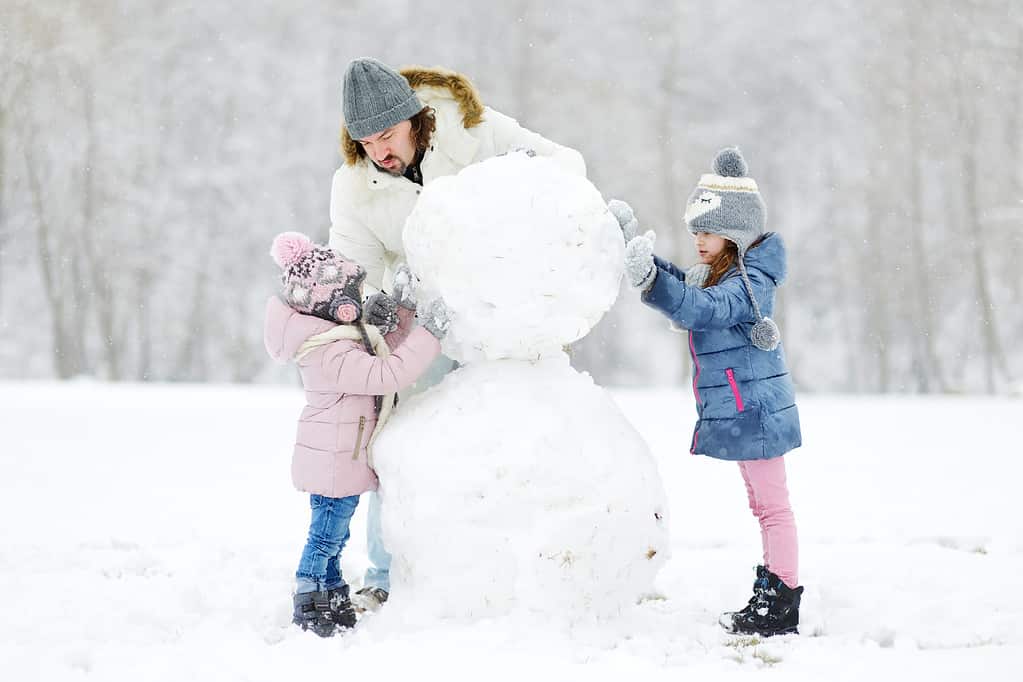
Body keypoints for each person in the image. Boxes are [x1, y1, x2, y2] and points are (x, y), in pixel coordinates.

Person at [328, 57, 586, 610]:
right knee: (401, 441)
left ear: (415, 120)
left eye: (387, 135)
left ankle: (533, 567)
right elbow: (354, 269)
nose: (379, 151)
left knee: (521, 433)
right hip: (422, 326)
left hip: (501, 313)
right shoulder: (354, 187)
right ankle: (386, 570)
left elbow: (567, 165)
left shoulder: (475, 128)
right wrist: (379, 300)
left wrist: (527, 179)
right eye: (365, 141)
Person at [612, 147, 804, 637]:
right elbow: (685, 288)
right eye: (695, 229)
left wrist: (652, 282)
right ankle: (774, 590)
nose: (697, 239)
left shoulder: (749, 283)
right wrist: (633, 248)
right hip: (746, 409)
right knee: (764, 506)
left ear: (735, 234)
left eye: (707, 230)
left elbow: (701, 309)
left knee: (773, 508)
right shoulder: (722, 274)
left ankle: (781, 600)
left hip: (757, 411)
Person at [263, 231, 448, 637]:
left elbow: (380, 351)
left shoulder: (334, 339)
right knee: (325, 536)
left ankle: (331, 591)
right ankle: (310, 596)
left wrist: (401, 313)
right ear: (336, 306)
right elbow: (387, 372)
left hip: (339, 456)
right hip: (334, 459)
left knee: (334, 531)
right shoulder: (329, 351)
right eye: (355, 293)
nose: (362, 300)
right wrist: (429, 336)